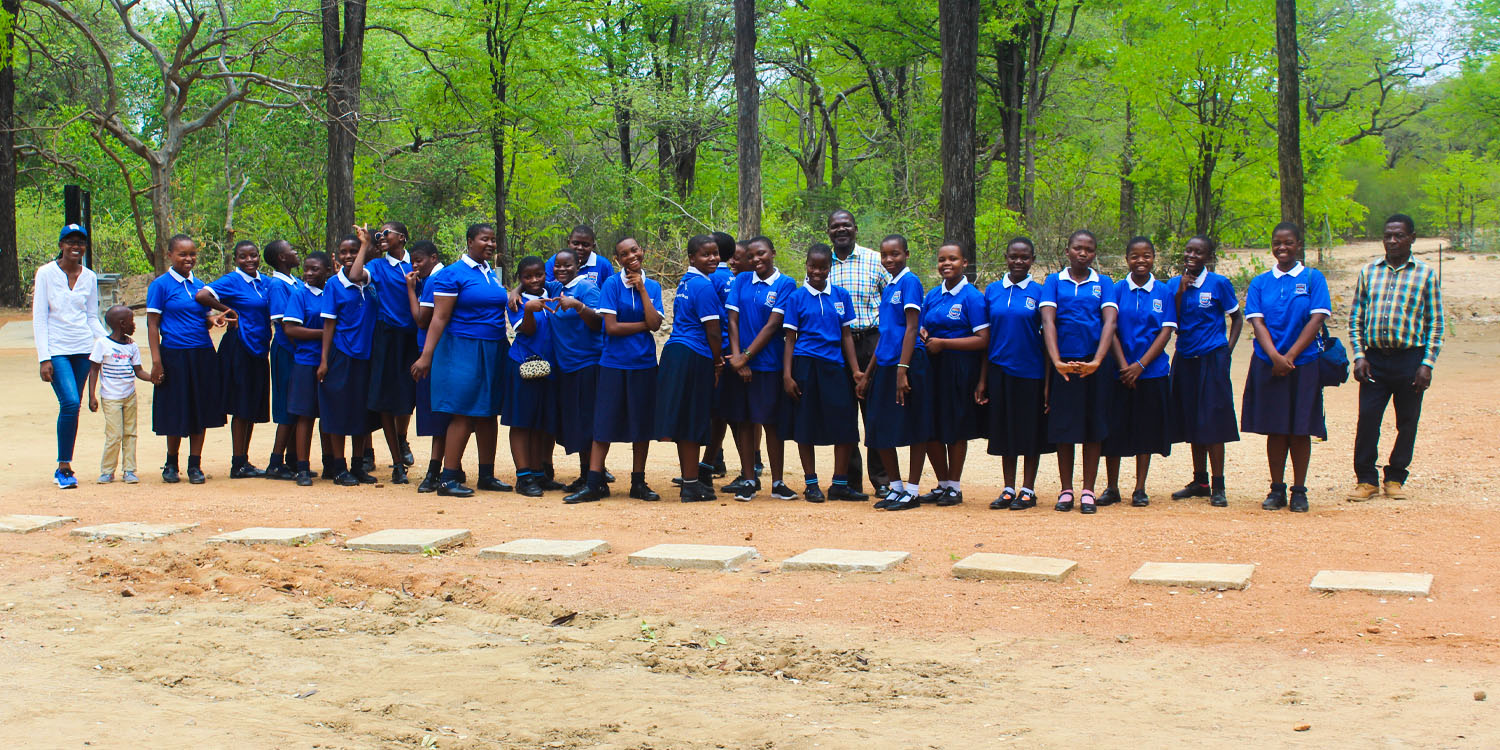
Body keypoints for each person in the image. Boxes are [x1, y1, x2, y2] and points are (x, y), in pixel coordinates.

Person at [1346, 214, 1444, 502]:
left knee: (1408, 421)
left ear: (1412, 238)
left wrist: (1427, 364)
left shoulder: (1425, 274)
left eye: (1399, 235)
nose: (1392, 240)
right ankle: (1366, 479)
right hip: (1374, 359)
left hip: (1409, 359)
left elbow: (1435, 323)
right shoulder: (1369, 272)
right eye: (1388, 235)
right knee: (1367, 420)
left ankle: (1395, 476)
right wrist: (1359, 356)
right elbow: (1356, 318)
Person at [412, 223, 512, 498]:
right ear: (470, 241)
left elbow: (499, 301)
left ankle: (487, 474)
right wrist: (426, 356)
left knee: (488, 412)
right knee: (464, 412)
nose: (490, 244)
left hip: (494, 347)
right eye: (484, 239)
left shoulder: (489, 273)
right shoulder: (451, 274)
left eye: (493, 240)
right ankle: (448, 477)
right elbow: (439, 318)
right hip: (462, 349)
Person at [564, 236, 664, 504]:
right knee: (604, 423)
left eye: (635, 249)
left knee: (642, 424)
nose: (631, 256)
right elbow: (612, 327)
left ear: (642, 250)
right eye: (624, 254)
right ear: (617, 259)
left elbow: (655, 322)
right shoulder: (610, 284)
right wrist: (643, 325)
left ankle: (638, 482)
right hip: (613, 363)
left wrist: (642, 291)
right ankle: (595, 482)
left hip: (643, 364)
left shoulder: (653, 286)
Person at [1242, 222, 1332, 513]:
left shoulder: (1313, 278)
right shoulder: (1260, 282)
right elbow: (1258, 322)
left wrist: (1290, 356)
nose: (1283, 248)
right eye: (1277, 242)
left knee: (1300, 428)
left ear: (1298, 244)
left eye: (1289, 242)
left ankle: (1299, 490)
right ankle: (1277, 489)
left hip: (1303, 364)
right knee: (1276, 429)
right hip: (1268, 364)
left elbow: (1316, 319)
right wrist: (1275, 357)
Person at [779, 243, 868, 502]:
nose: (817, 271)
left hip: (835, 367)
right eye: (812, 266)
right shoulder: (796, 297)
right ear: (806, 266)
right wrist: (787, 374)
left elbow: (846, 336)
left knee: (845, 424)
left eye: (823, 267)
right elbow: (790, 338)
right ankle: (811, 483)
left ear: (830, 267)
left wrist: (855, 371)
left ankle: (840, 483)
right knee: (805, 424)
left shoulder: (841, 295)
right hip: (805, 366)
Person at [1040, 230, 1117, 514]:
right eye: (1077, 248)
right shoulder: (1053, 281)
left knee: (1092, 427)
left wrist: (1097, 360)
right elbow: (1048, 322)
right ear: (1068, 251)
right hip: (1064, 366)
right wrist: (1057, 361)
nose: (1083, 253)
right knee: (1064, 428)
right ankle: (1066, 489)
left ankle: (1088, 490)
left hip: (1094, 365)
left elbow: (1109, 323)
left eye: (1089, 249)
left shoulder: (1104, 283)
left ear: (1095, 253)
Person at [1165, 235, 1242, 507]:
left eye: (1199, 252)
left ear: (1208, 257)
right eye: (1188, 251)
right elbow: (1169, 321)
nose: (1192, 256)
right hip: (1185, 357)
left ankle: (1219, 485)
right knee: (1191, 419)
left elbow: (1237, 317)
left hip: (1212, 358)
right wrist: (1179, 293)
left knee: (1213, 421)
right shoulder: (1175, 284)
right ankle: (1200, 481)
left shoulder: (1219, 284)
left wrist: (1227, 351)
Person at [1100, 237, 1176, 508]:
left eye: (1147, 256)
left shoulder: (1164, 291)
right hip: (1118, 372)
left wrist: (1141, 366)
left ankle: (1140, 488)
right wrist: (1124, 366)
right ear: (1126, 259)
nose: (1141, 261)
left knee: (1146, 430)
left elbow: (1165, 331)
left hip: (1152, 372)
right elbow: (1111, 329)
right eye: (1135, 256)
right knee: (1114, 430)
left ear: (1154, 258)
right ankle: (1111, 487)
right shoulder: (1117, 289)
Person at [146, 234, 228, 484]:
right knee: (175, 408)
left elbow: (203, 316)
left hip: (202, 353)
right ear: (170, 255)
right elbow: (152, 324)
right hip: (174, 353)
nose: (188, 259)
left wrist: (212, 319)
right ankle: (171, 463)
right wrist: (157, 361)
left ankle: (195, 464)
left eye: (192, 254)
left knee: (199, 409)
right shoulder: (160, 286)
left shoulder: (200, 286)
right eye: (182, 254)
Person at [976, 237, 1051, 511]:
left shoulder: (1040, 292)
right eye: (1013, 257)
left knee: (1029, 432)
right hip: (999, 370)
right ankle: (1008, 488)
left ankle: (1028, 489)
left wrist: (1047, 383)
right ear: (1006, 258)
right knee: (1005, 430)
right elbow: (986, 338)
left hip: (1030, 372)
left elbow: (1046, 340)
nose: (1018, 262)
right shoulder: (993, 291)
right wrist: (983, 379)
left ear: (1032, 260)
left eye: (1024, 257)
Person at [33, 223, 108, 489]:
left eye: (81, 243)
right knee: (70, 402)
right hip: (57, 350)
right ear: (61, 245)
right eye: (71, 242)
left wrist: (107, 341)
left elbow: (91, 316)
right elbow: (40, 317)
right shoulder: (45, 274)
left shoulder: (89, 276)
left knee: (73, 407)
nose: (76, 247)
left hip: (83, 348)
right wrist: (44, 357)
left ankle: (66, 463)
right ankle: (63, 467)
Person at [723, 236, 798, 501]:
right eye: (752, 256)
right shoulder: (742, 280)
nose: (756, 260)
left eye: (762, 254)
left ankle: (777, 482)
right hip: (741, 366)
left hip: (768, 365)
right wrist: (736, 358)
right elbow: (732, 318)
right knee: (744, 422)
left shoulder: (786, 284)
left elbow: (773, 325)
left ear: (773, 253)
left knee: (772, 423)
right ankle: (748, 479)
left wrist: (746, 356)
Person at [862, 234, 932, 512]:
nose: (890, 260)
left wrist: (903, 370)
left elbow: (912, 328)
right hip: (886, 362)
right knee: (877, 426)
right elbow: (886, 333)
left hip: (908, 363)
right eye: (885, 255)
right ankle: (896, 487)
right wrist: (867, 375)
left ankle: (912, 491)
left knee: (915, 425)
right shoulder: (889, 286)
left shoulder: (909, 282)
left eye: (895, 254)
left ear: (906, 254)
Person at [655, 234, 726, 502]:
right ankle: (691, 485)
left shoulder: (686, 282)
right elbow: (713, 331)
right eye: (706, 254)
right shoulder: (704, 287)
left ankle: (691, 482)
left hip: (675, 352)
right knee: (694, 419)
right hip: (693, 354)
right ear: (692, 257)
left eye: (716, 253)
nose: (713, 258)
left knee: (685, 419)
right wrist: (718, 361)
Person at [918, 243, 990, 507]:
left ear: (965, 263)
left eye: (953, 259)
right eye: (941, 260)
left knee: (955, 426)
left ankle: (955, 487)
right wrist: (924, 334)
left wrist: (945, 344)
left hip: (959, 368)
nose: (946, 264)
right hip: (933, 367)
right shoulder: (933, 296)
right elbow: (922, 326)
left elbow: (983, 339)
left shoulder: (972, 297)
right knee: (931, 425)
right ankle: (942, 483)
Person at [346, 221, 419, 477]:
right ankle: (398, 462)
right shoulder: (377, 266)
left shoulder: (417, 263)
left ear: (403, 237)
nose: (382, 237)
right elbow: (355, 277)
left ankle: (401, 437)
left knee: (409, 395)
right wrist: (365, 245)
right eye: (379, 235)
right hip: (386, 337)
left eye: (386, 233)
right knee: (386, 399)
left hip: (414, 337)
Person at [195, 240, 273, 478]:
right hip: (238, 345)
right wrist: (229, 310)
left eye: (253, 256)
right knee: (240, 404)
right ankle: (237, 462)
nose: (249, 260)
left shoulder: (265, 282)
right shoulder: (232, 280)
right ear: (236, 259)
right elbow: (202, 295)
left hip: (259, 346)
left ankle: (244, 460)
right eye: (243, 257)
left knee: (251, 404)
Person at [827, 209, 890, 494]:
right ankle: (849, 481)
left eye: (846, 225)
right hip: (836, 345)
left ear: (855, 229)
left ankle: (884, 480)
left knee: (875, 412)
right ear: (828, 231)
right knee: (843, 413)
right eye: (835, 226)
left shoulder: (875, 261)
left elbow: (893, 300)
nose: (841, 230)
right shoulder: (820, 264)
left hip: (872, 342)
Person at [318, 231, 379, 486]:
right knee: (338, 410)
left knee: (361, 411)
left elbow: (358, 273)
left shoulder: (371, 279)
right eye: (343, 252)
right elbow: (329, 325)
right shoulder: (334, 284)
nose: (348, 256)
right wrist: (324, 361)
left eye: (354, 252)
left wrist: (365, 246)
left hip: (368, 354)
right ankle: (339, 466)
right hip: (342, 353)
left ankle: (358, 464)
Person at [547, 248, 605, 493]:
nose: (561, 269)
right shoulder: (555, 288)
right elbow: (531, 282)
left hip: (587, 363)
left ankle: (596, 479)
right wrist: (516, 291)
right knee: (577, 424)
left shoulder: (587, 289)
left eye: (567, 265)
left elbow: (598, 321)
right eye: (558, 266)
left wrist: (578, 306)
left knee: (589, 422)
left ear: (578, 265)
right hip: (566, 365)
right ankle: (585, 475)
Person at [505, 256, 561, 496]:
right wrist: (528, 308)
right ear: (520, 279)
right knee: (521, 421)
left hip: (548, 368)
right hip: (523, 366)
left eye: (538, 275)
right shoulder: (517, 302)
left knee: (541, 421)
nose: (534, 280)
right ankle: (524, 475)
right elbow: (526, 330)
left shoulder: (552, 292)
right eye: (527, 277)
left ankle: (540, 472)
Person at [281, 252, 333, 486]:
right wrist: (325, 334)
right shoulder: (299, 295)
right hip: (306, 362)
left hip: (332, 361)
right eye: (307, 269)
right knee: (305, 415)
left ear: (327, 272)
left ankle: (331, 463)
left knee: (328, 416)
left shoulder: (331, 292)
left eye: (315, 270)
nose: (309, 274)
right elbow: (290, 329)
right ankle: (302, 467)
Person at [87, 305, 150, 484]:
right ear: (122, 324)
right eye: (131, 321)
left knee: (130, 433)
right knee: (114, 435)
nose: (134, 325)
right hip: (111, 397)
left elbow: (138, 370)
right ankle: (107, 471)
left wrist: (153, 378)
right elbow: (94, 369)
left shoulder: (132, 346)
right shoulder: (102, 344)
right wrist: (92, 395)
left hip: (130, 395)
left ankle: (129, 470)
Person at [405, 241, 448, 492]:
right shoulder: (442, 276)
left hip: (431, 353)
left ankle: (434, 471)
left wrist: (411, 290)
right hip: (443, 351)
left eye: (419, 261)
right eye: (412, 261)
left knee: (436, 416)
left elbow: (422, 320)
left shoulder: (434, 280)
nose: (415, 266)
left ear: (433, 258)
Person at [263, 239, 302, 480]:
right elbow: (285, 325)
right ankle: (275, 461)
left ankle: (293, 459)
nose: (296, 252)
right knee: (288, 405)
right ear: (282, 258)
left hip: (297, 350)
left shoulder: (295, 282)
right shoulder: (278, 285)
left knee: (296, 404)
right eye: (292, 250)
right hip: (288, 350)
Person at [544, 224, 615, 286]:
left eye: (586, 245)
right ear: (568, 243)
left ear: (593, 246)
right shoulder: (556, 260)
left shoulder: (603, 265)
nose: (580, 248)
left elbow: (611, 290)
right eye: (575, 243)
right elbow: (545, 286)